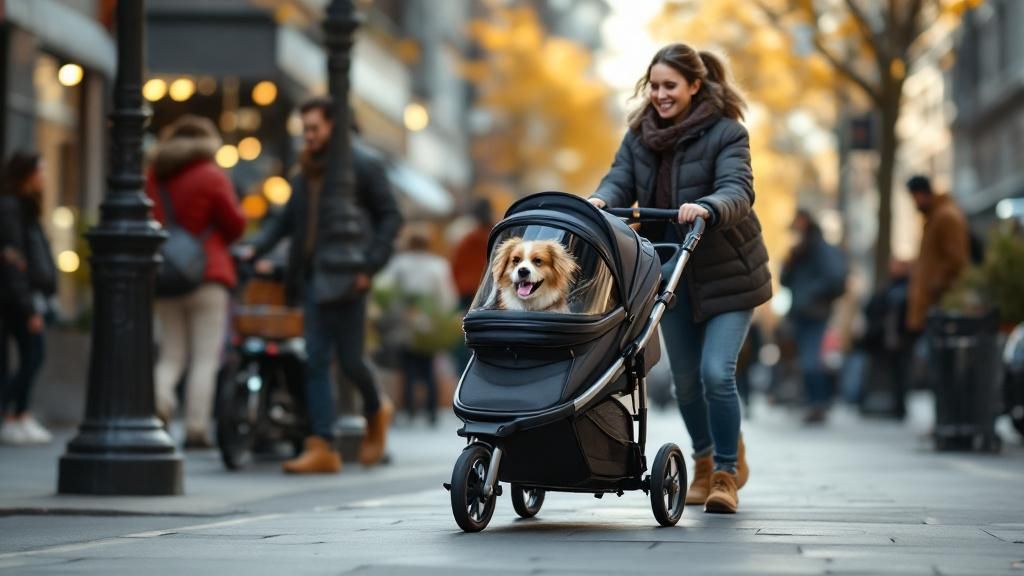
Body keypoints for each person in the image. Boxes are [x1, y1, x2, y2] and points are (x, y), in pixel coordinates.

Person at [589, 43, 771, 514]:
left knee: (716, 374)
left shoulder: (728, 133)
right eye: (654, 86)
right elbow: (618, 179)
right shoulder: (637, 135)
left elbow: (738, 190)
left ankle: (728, 474)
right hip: (671, 272)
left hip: (727, 272)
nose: (660, 95)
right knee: (687, 382)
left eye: (670, 86)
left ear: (694, 86)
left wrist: (709, 206)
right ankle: (706, 462)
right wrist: (601, 201)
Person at [244, 96, 403, 474]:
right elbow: (285, 222)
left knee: (349, 361)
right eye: (305, 129)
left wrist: (369, 265)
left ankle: (376, 409)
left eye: (314, 128)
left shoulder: (362, 165)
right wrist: (254, 248)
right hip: (314, 277)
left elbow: (391, 217)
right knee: (315, 359)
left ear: (334, 125)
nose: (309, 136)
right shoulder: (307, 173)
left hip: (350, 278)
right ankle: (323, 446)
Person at [146, 116, 246, 448]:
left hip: (167, 274)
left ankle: (161, 400)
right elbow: (235, 225)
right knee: (205, 357)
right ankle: (196, 428)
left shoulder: (154, 176)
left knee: (172, 353)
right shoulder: (212, 175)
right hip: (208, 274)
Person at [0, 152, 57, 444]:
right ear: (27, 174)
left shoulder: (27, 208)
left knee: (31, 356)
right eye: (41, 170)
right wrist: (27, 306)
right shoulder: (11, 208)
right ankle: (12, 414)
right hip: (19, 298)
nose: (44, 177)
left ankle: (19, 415)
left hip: (30, 294)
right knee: (33, 355)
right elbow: (14, 261)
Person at [383, 230, 457, 425]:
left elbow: (387, 289)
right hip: (428, 319)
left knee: (407, 367)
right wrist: (442, 316)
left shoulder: (399, 263)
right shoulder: (437, 265)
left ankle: (409, 410)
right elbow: (447, 296)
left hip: (404, 318)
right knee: (428, 366)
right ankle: (431, 411)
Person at [780, 209, 847, 424]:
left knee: (811, 360)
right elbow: (785, 281)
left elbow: (835, 278)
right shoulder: (798, 251)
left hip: (814, 311)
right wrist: (788, 264)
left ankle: (818, 403)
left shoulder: (821, 249)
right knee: (806, 359)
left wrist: (811, 295)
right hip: (800, 311)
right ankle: (815, 402)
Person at [904, 175, 969, 334]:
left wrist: (936, 285)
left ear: (922, 193)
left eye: (915, 197)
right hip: (932, 304)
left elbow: (956, 259)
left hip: (939, 305)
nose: (914, 203)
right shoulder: (934, 218)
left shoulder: (945, 217)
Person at [449, 199, 492, 374]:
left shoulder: (467, 240)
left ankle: (465, 374)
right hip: (490, 294)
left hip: (467, 294)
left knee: (463, 339)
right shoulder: (497, 236)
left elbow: (455, 268)